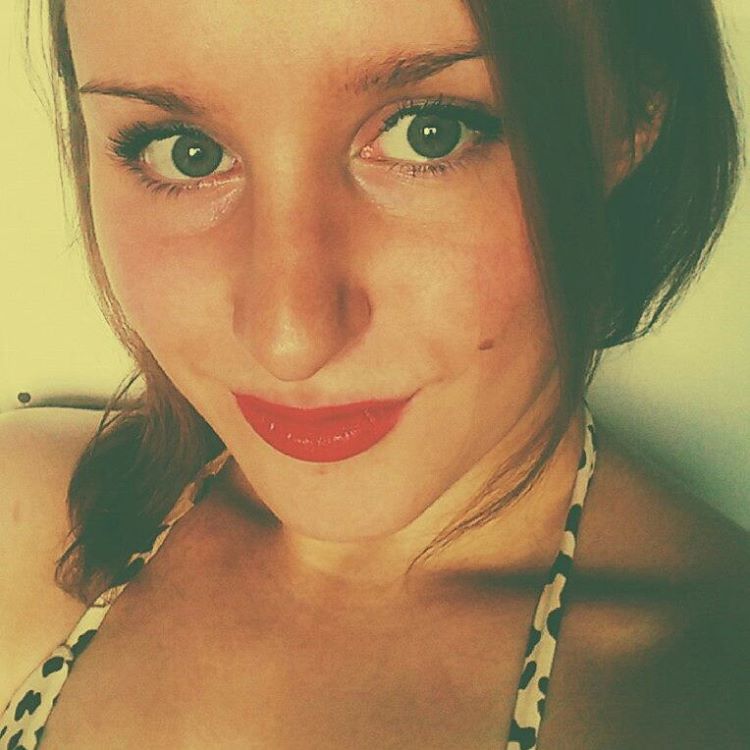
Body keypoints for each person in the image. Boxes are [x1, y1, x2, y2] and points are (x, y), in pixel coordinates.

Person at [1, 0, 748, 747]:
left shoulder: (701, 690)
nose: (289, 341)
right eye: (185, 152)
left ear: (630, 121)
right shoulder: (26, 522)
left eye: (430, 133)